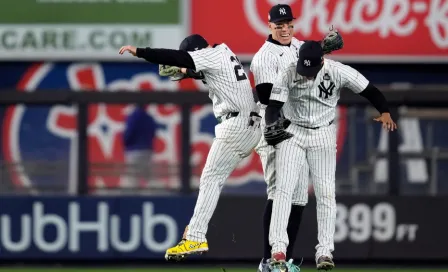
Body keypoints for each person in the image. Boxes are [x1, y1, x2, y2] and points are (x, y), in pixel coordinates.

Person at [119, 34, 262, 261]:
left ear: (197, 51)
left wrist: (141, 51)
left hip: (237, 124)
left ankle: (195, 236)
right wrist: (185, 72)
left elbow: (179, 57)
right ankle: (278, 250)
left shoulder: (208, 55)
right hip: (251, 124)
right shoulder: (222, 52)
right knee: (265, 185)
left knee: (210, 179)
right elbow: (202, 70)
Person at [263, 41, 397, 271]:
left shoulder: (337, 70)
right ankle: (278, 250)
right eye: (303, 70)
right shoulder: (289, 72)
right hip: (293, 131)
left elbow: (369, 90)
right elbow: (273, 106)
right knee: (283, 190)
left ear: (322, 61)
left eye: (310, 71)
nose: (306, 76)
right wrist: (271, 124)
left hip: (323, 133)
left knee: (325, 193)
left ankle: (324, 252)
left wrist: (384, 111)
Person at [250, 4, 344, 272]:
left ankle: (285, 259)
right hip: (276, 128)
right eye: (279, 25)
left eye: (288, 23)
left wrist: (321, 49)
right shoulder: (264, 57)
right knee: (279, 191)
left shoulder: (298, 45)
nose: (284, 28)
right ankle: (268, 261)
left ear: (293, 24)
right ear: (269, 26)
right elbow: (270, 98)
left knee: (300, 197)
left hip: (298, 130)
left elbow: (308, 59)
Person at [122, 104, 156, 190]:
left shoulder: (133, 117)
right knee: (148, 177)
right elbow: (152, 133)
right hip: (147, 150)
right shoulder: (148, 117)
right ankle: (152, 196)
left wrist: (127, 144)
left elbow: (128, 134)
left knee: (132, 178)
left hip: (134, 151)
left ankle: (133, 200)